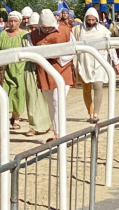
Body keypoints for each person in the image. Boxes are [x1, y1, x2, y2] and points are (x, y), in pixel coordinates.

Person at [28, 9, 75, 141]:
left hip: (62, 69)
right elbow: (29, 52)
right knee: (50, 103)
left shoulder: (66, 31)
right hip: (44, 71)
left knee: (57, 101)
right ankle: (56, 132)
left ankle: (61, 133)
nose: (47, 30)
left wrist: (58, 57)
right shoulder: (33, 35)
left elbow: (73, 50)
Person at [73, 8, 119, 123]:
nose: (90, 22)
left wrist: (116, 62)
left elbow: (111, 47)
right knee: (86, 89)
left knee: (98, 87)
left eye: (93, 20)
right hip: (84, 62)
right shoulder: (79, 31)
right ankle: (90, 112)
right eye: (88, 20)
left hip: (100, 62)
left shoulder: (103, 31)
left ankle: (96, 113)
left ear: (97, 19)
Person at [0, 11, 27, 130]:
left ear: (19, 22)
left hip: (20, 68)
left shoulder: (24, 34)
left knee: (18, 93)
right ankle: (6, 118)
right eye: (11, 21)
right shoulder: (3, 34)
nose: (12, 23)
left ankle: (16, 118)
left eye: (15, 21)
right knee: (5, 92)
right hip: (5, 69)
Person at [21, 12, 52, 136]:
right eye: (31, 27)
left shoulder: (44, 38)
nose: (33, 30)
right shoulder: (25, 38)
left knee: (46, 97)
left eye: (35, 27)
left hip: (43, 67)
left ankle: (48, 124)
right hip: (30, 68)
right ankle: (34, 126)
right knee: (32, 97)